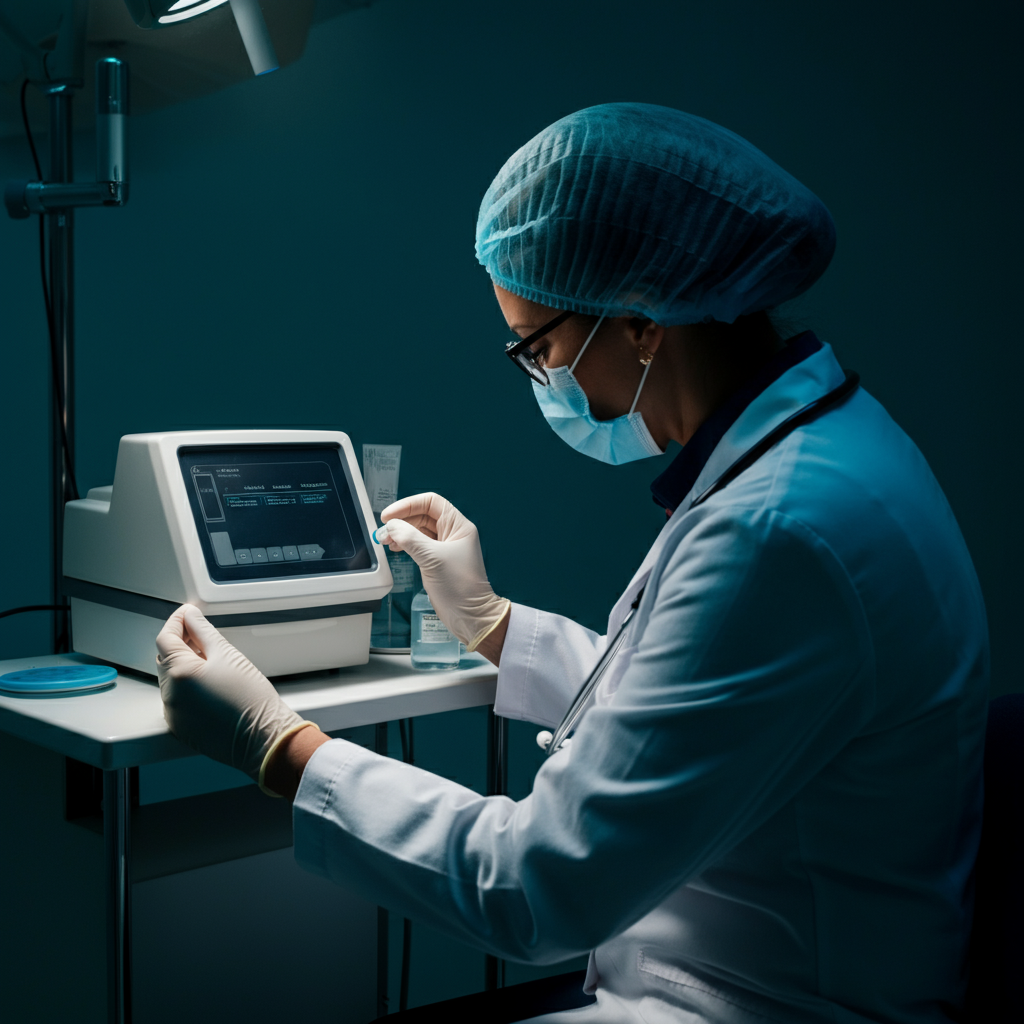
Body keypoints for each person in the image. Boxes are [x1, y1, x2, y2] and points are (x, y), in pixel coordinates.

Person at [156, 104, 988, 1023]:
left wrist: (284, 749)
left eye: (540, 348)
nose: (546, 381)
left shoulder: (778, 531)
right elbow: (695, 711)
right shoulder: (825, 450)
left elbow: (538, 886)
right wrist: (494, 625)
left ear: (640, 323)